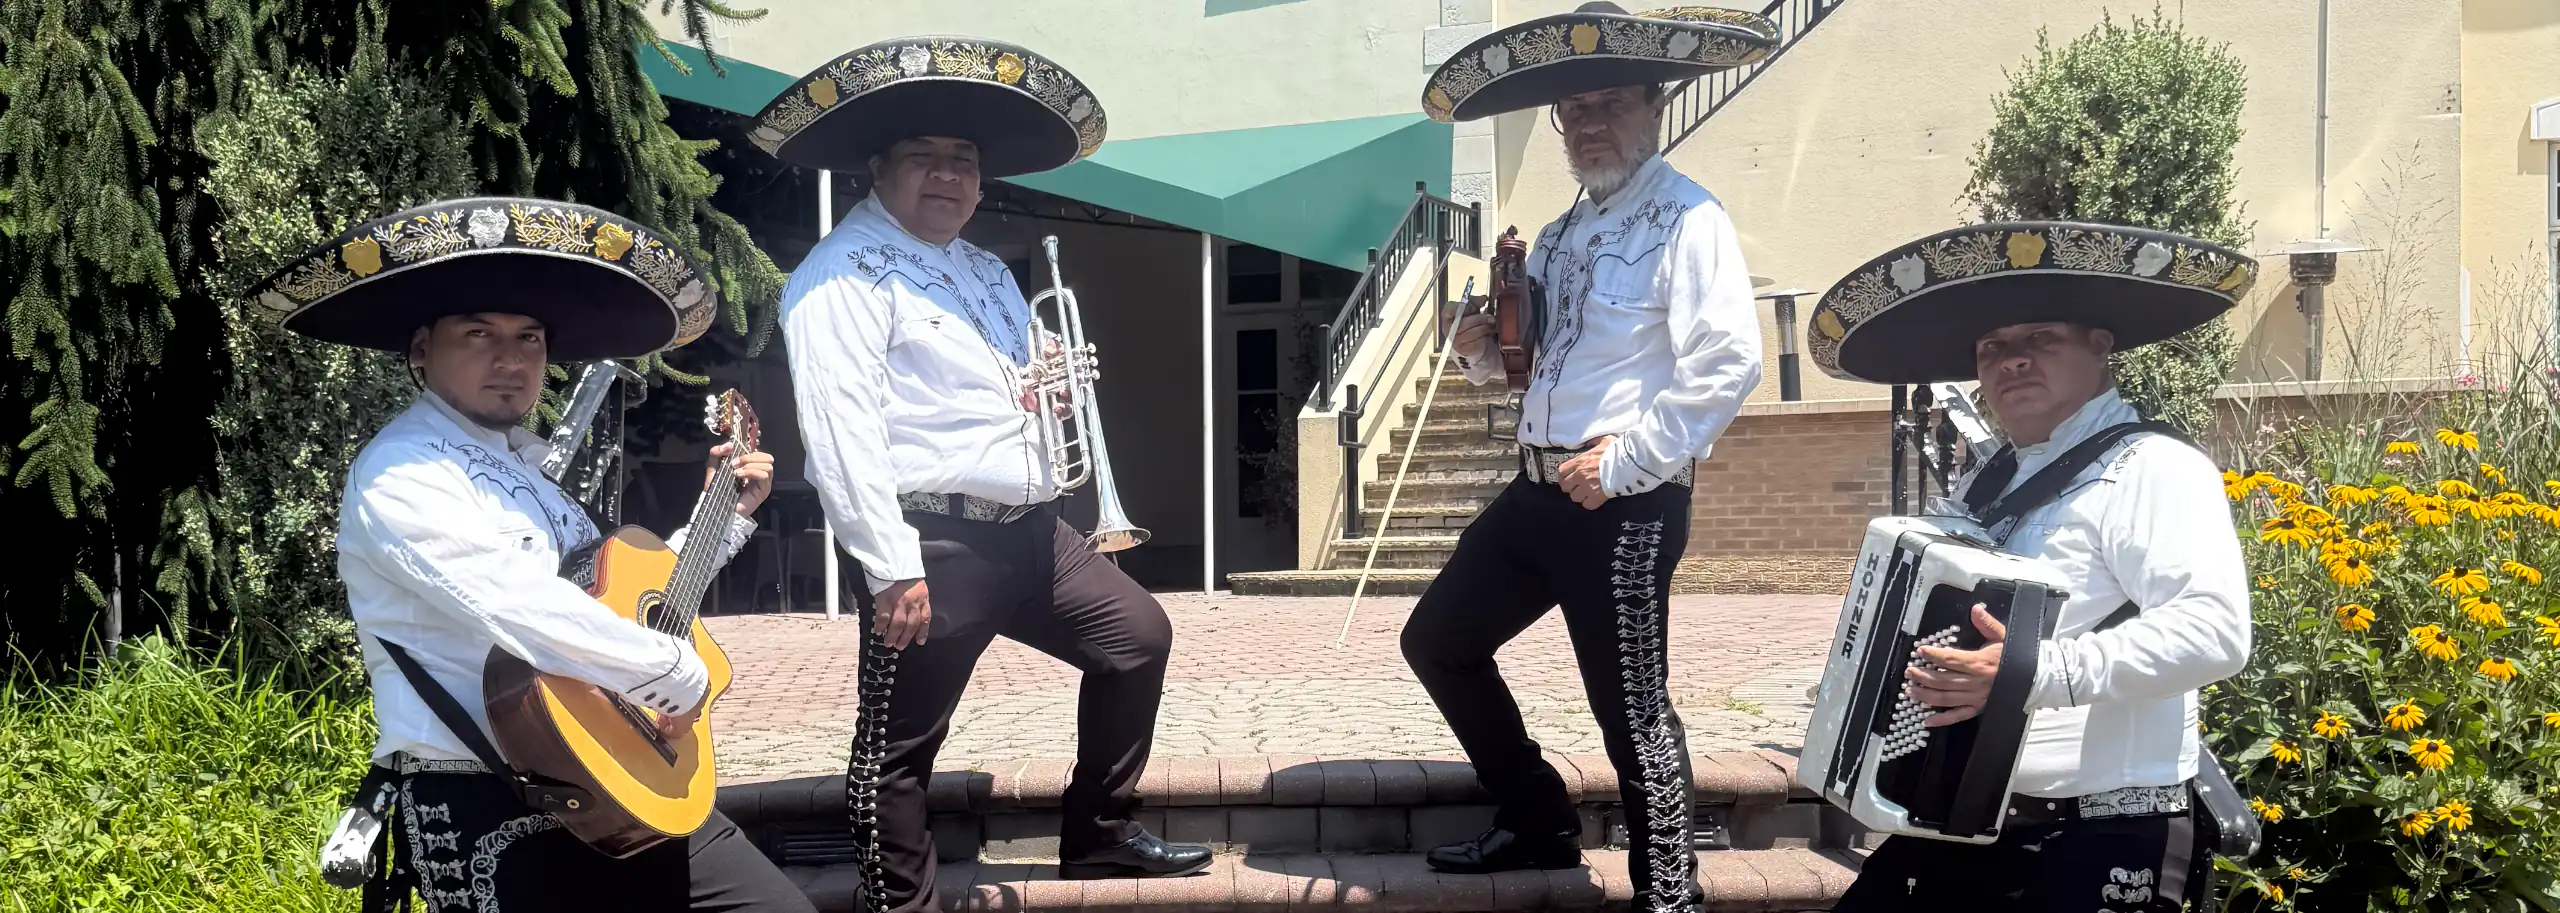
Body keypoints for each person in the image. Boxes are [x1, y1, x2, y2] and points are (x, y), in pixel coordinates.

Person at [748, 35, 1211, 913]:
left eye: (963, 160)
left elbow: (1015, 389)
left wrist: (1052, 388)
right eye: (924, 157)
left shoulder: (989, 270)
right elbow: (840, 431)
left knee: (1137, 636)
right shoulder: (839, 275)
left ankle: (1100, 836)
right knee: (897, 749)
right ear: (877, 168)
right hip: (932, 540)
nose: (948, 176)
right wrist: (890, 564)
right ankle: (902, 903)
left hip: (1033, 530)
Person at [248, 196, 809, 912]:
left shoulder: (535, 469)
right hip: (491, 796)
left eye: (530, 338)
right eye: (478, 333)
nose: (511, 360)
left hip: (622, 766)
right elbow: (522, 606)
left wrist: (718, 520)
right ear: (421, 348)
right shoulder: (402, 471)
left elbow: (615, 601)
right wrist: (670, 672)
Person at [1405, 5, 1777, 911]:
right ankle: (1538, 817)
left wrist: (1627, 460)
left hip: (1625, 502)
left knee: (1632, 708)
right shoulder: (1562, 232)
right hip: (1538, 488)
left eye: (1610, 103)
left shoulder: (1689, 218)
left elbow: (1730, 361)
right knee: (1440, 640)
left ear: (1654, 106)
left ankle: (1670, 894)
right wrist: (1476, 347)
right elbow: (1530, 363)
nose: (1590, 124)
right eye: (1574, 110)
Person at [1802, 220, 2259, 911]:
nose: (2011, 360)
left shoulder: (2155, 467)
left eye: (2040, 338)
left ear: (2100, 345)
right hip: (1967, 826)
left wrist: (2027, 673)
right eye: (1992, 347)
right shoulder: (1988, 481)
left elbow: (2213, 633)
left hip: (2101, 836)